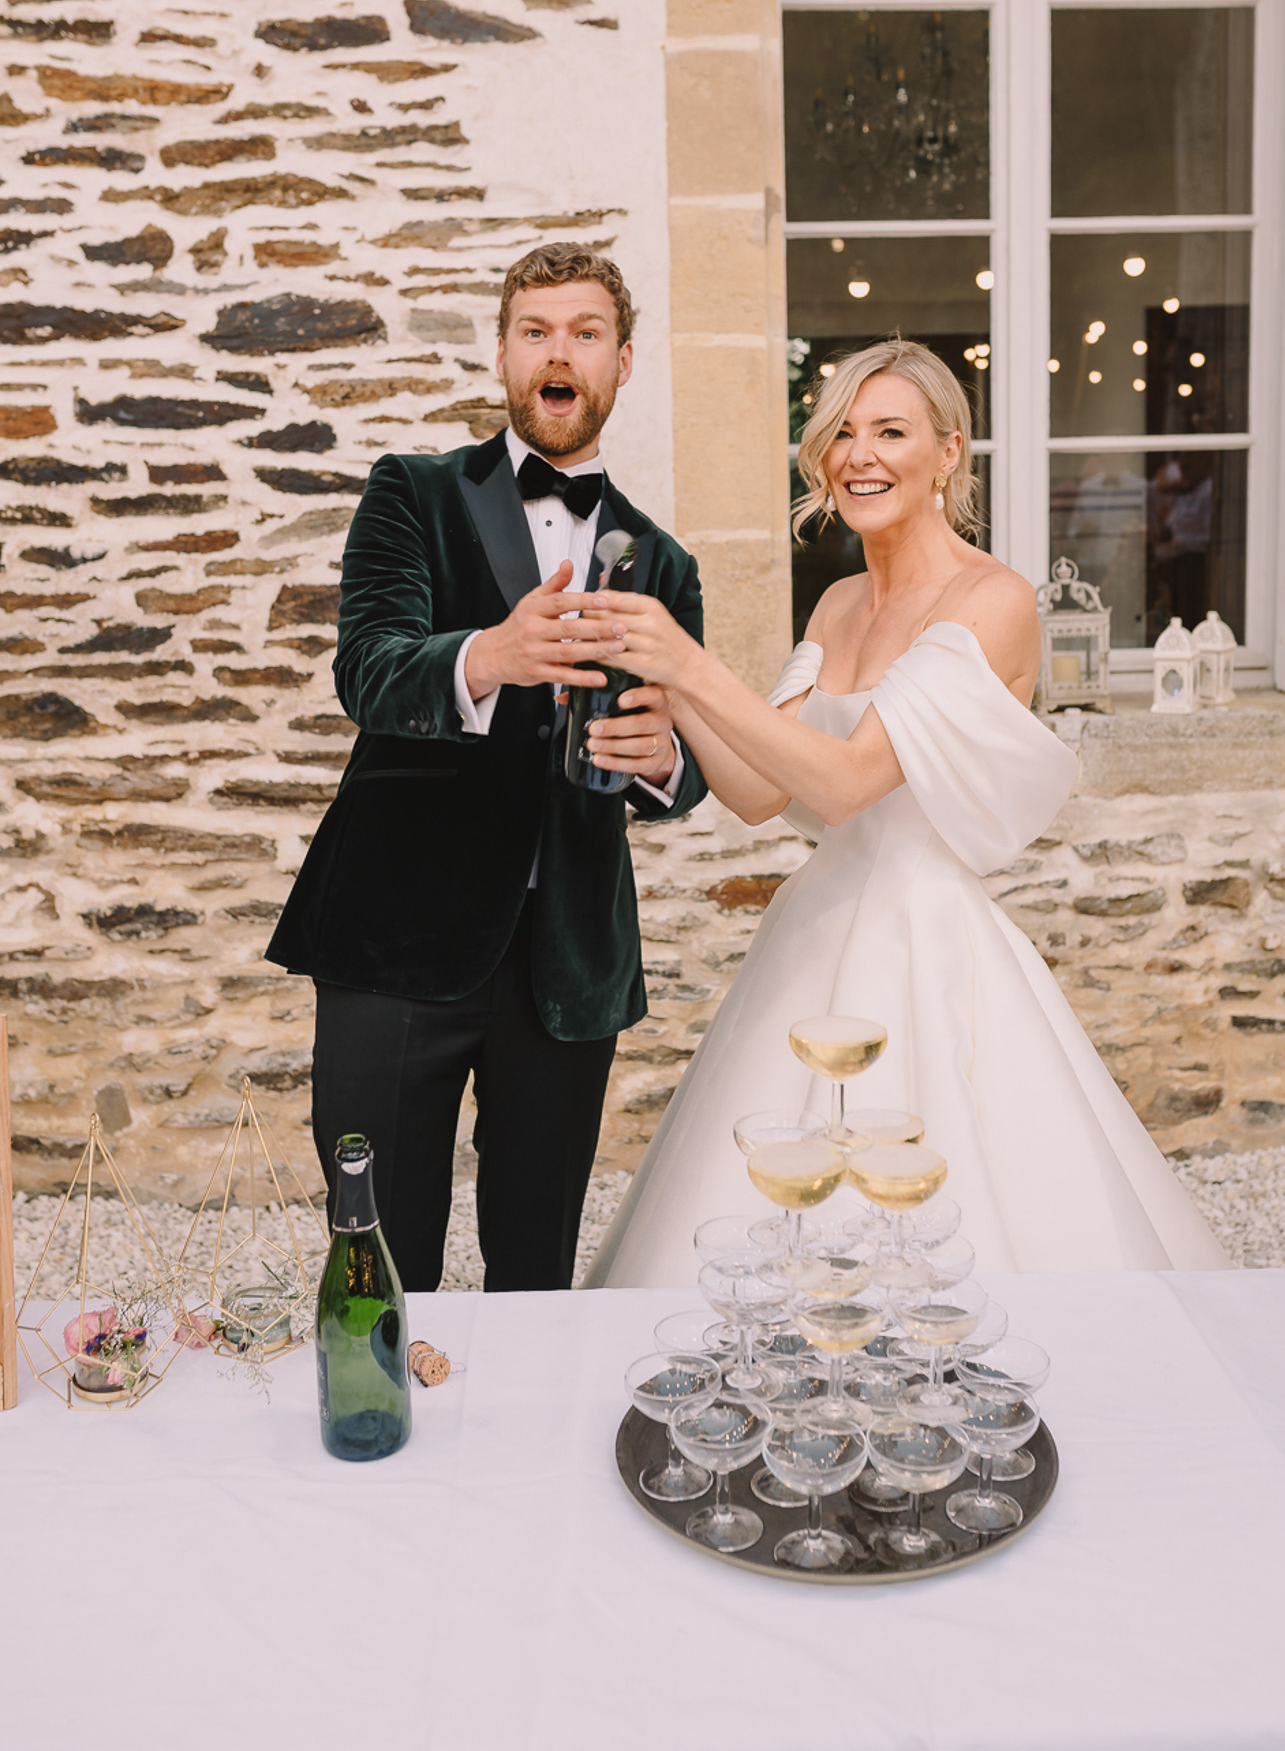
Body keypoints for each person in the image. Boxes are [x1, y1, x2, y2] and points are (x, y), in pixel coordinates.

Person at [582, 339, 1228, 1284]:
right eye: (841, 432)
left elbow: (845, 782)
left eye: (890, 431)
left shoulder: (990, 599)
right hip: (814, 927)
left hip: (927, 936)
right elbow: (765, 794)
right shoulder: (837, 603)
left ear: (949, 453)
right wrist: (673, 696)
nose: (859, 456)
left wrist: (691, 663)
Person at [266, 243, 709, 1292]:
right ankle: (377, 1436)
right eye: (537, 330)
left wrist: (664, 764)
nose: (560, 352)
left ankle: (522, 1454)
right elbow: (367, 671)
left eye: (586, 333)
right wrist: (489, 654)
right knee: (377, 1257)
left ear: (623, 360)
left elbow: (691, 764)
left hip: (566, 968)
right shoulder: (411, 493)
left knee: (535, 1274)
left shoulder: (669, 563)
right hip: (395, 939)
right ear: (505, 352)